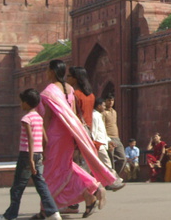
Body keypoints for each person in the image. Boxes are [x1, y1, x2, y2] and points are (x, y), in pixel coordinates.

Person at [38, 59, 115, 218]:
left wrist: (43, 139)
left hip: (54, 135)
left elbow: (47, 118)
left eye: (47, 70)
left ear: (52, 71)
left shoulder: (49, 91)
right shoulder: (69, 89)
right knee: (65, 167)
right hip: (68, 133)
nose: (46, 73)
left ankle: (51, 206)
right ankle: (91, 191)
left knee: (53, 171)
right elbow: (73, 115)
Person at [0, 89, 61, 220]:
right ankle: (53, 212)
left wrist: (30, 159)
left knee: (17, 187)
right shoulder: (39, 117)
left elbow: (30, 139)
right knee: (41, 185)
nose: (21, 104)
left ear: (26, 103)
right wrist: (43, 152)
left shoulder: (26, 118)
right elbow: (45, 138)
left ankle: (10, 216)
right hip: (38, 154)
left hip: (27, 155)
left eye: (22, 102)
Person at [91, 97, 125, 190]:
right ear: (98, 106)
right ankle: (114, 182)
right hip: (98, 144)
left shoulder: (98, 115)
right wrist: (94, 143)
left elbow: (102, 132)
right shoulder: (94, 116)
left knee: (94, 165)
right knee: (106, 163)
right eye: (103, 105)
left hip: (101, 143)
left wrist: (109, 141)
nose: (104, 107)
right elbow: (94, 131)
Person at [102, 94, 125, 174]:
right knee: (110, 159)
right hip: (108, 138)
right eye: (109, 100)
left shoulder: (114, 112)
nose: (111, 102)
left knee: (122, 158)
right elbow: (102, 127)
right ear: (105, 101)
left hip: (116, 138)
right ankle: (111, 179)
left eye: (112, 100)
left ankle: (115, 176)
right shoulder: (103, 113)